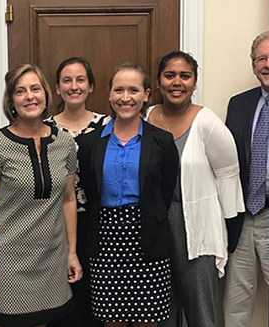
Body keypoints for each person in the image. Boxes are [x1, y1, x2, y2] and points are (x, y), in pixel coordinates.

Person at [0, 64, 83, 327]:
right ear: (11, 101)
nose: (30, 96)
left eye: (35, 89)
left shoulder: (65, 143)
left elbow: (69, 199)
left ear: (46, 94)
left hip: (51, 259)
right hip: (7, 261)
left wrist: (72, 253)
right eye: (20, 91)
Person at [145, 51, 245, 327]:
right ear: (158, 81)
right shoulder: (147, 116)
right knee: (160, 311)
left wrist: (229, 233)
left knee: (200, 311)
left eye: (185, 76)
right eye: (170, 75)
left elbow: (228, 176)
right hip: (156, 228)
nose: (177, 82)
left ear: (194, 82)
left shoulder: (207, 122)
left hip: (197, 228)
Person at [77, 62, 179, 327]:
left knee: (148, 320)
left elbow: (165, 191)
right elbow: (89, 189)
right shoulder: (89, 143)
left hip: (148, 238)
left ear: (146, 94)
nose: (125, 98)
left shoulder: (162, 141)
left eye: (133, 90)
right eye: (118, 90)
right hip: (105, 240)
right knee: (112, 320)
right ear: (109, 95)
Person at [224, 31, 269, 327]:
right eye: (261, 58)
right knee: (235, 308)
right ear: (253, 66)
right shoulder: (238, 104)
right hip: (242, 219)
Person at [46, 57, 109, 327]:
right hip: (53, 225)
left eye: (80, 80)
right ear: (57, 88)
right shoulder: (44, 129)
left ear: (91, 86)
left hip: (97, 223)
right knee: (59, 300)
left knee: (95, 299)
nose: (74, 86)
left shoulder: (109, 126)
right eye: (67, 80)